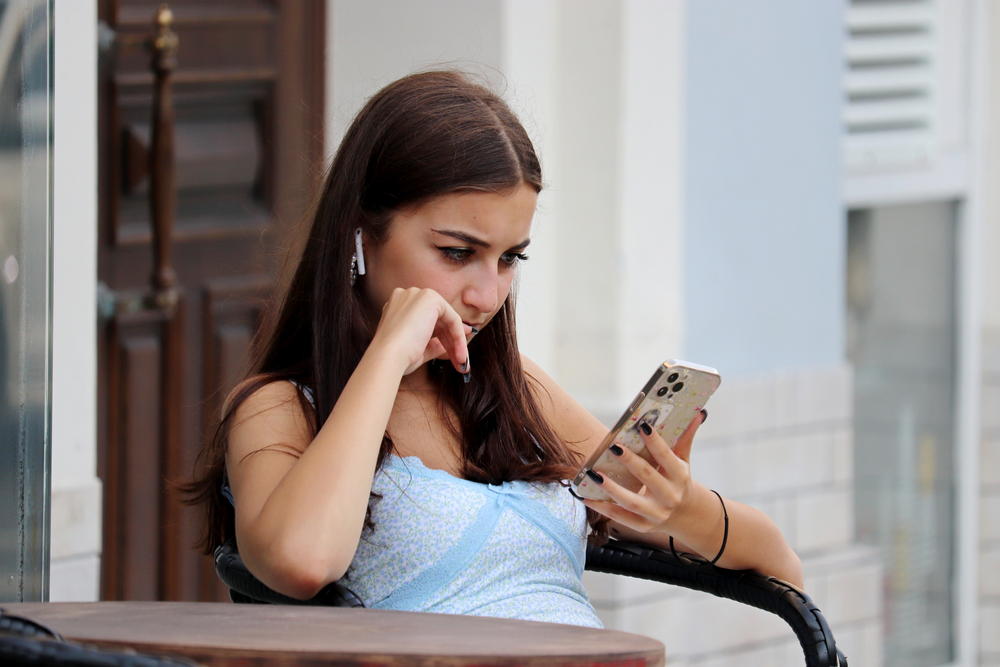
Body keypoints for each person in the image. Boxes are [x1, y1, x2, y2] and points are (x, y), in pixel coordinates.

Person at [185, 70, 802, 628]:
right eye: (457, 253)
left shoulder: (515, 392)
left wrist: (680, 506)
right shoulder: (279, 408)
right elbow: (301, 561)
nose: (488, 294)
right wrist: (386, 356)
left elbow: (782, 568)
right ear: (360, 236)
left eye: (510, 258)